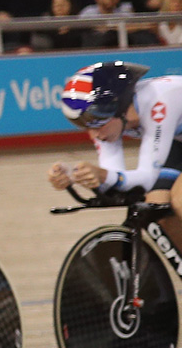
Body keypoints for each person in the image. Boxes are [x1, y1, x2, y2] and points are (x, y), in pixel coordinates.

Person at [49, 63, 182, 234]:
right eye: (85, 126)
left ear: (120, 107)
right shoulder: (109, 120)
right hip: (177, 140)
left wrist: (103, 175)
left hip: (173, 136)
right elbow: (115, 181)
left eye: (96, 123)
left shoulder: (159, 102)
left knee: (179, 201)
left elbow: (146, 178)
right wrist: (73, 176)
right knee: (155, 209)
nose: (94, 135)